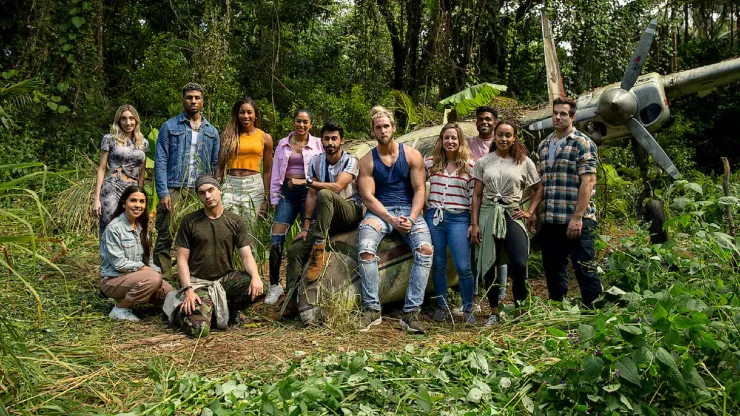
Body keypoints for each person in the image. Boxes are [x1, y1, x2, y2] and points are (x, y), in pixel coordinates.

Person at [357, 106, 433, 334]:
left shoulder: (411, 155)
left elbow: (420, 189)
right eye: (378, 127)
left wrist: (410, 218)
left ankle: (411, 312)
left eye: (386, 126)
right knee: (366, 250)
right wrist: (390, 218)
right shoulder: (367, 161)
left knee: (426, 250)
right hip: (380, 212)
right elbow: (368, 197)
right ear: (373, 131)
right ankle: (371, 309)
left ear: (394, 128)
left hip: (408, 211)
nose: (383, 130)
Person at [164, 175, 265, 338]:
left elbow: (246, 256)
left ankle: (230, 311)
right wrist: (188, 289)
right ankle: (180, 314)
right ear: (199, 196)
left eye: (211, 190)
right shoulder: (190, 221)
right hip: (198, 284)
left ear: (220, 190)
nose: (208, 196)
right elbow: (181, 259)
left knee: (261, 289)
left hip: (225, 281)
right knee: (200, 330)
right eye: (202, 193)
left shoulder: (235, 221)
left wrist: (256, 277)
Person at [283, 122, 363, 321]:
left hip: (349, 212)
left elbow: (337, 187)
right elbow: (311, 195)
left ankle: (318, 250)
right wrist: (306, 226)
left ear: (341, 141)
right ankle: (291, 300)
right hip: (325, 218)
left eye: (334, 138)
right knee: (295, 250)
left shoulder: (351, 160)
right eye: (326, 138)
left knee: (326, 193)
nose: (330, 142)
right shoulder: (316, 161)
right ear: (322, 141)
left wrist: (307, 182)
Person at [470, 121, 543, 326]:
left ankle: (520, 309)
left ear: (514, 138)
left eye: (508, 135)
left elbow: (538, 190)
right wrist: (475, 224)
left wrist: (529, 212)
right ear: (494, 136)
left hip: (512, 213)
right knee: (490, 263)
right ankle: (494, 311)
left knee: (519, 263)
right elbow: (476, 195)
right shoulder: (483, 162)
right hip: (488, 214)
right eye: (500, 135)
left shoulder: (524, 162)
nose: (504, 139)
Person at [535, 97, 601, 307]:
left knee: (584, 266)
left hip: (576, 220)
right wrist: (534, 214)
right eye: (555, 113)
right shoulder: (544, 146)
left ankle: (594, 311)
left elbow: (588, 181)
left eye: (563, 114)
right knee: (553, 268)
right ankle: (559, 308)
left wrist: (577, 217)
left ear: (572, 117)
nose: (558, 117)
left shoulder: (582, 143)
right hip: (551, 219)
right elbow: (540, 185)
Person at [153, 83, 220, 278]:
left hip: (199, 190)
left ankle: (191, 276)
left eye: (197, 98)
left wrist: (214, 190)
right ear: (183, 100)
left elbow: (216, 163)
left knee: (197, 234)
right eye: (189, 97)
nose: (193, 101)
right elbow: (161, 160)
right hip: (174, 186)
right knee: (166, 232)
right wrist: (163, 192)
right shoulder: (169, 126)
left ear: (202, 101)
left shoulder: (211, 131)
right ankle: (163, 278)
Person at [265, 109, 323, 305]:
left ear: (311, 125)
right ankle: (274, 284)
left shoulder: (318, 144)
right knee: (276, 235)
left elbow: (322, 170)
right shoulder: (282, 143)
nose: (302, 125)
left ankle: (307, 283)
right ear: (293, 122)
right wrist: (274, 198)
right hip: (287, 192)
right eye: (299, 121)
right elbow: (275, 173)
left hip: (309, 191)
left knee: (310, 235)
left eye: (305, 122)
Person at [424, 123, 477, 325]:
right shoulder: (430, 163)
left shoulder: (469, 166)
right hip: (435, 217)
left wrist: (474, 223)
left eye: (454, 138)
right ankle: (441, 306)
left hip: (459, 218)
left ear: (460, 141)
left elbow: (474, 198)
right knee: (438, 264)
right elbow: (418, 185)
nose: (450, 141)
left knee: (463, 266)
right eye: (446, 138)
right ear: (441, 140)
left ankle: (468, 308)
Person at [100, 185, 173, 322]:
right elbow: (119, 264)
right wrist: (148, 272)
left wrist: (157, 277)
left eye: (142, 202)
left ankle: (138, 297)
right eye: (133, 200)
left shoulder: (140, 227)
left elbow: (148, 260)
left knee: (169, 292)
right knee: (154, 279)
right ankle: (120, 308)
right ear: (123, 203)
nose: (138, 205)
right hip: (113, 280)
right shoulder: (114, 228)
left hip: (134, 277)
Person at [216, 97, 274, 239]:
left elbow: (267, 171)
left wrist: (267, 200)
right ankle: (229, 260)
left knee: (250, 230)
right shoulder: (228, 136)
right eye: (242, 112)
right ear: (237, 114)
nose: (246, 116)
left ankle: (249, 261)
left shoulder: (265, 138)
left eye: (249, 112)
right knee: (226, 226)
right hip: (230, 184)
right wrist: (216, 188)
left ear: (255, 115)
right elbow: (219, 166)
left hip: (253, 185)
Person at [93, 105, 149, 237]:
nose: (128, 122)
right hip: (113, 187)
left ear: (136, 120)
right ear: (118, 120)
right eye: (124, 119)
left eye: (131, 118)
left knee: (132, 227)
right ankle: (107, 257)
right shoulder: (109, 139)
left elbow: (142, 171)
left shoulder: (143, 143)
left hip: (132, 189)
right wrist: (96, 198)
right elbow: (101, 168)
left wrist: (139, 192)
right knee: (109, 226)